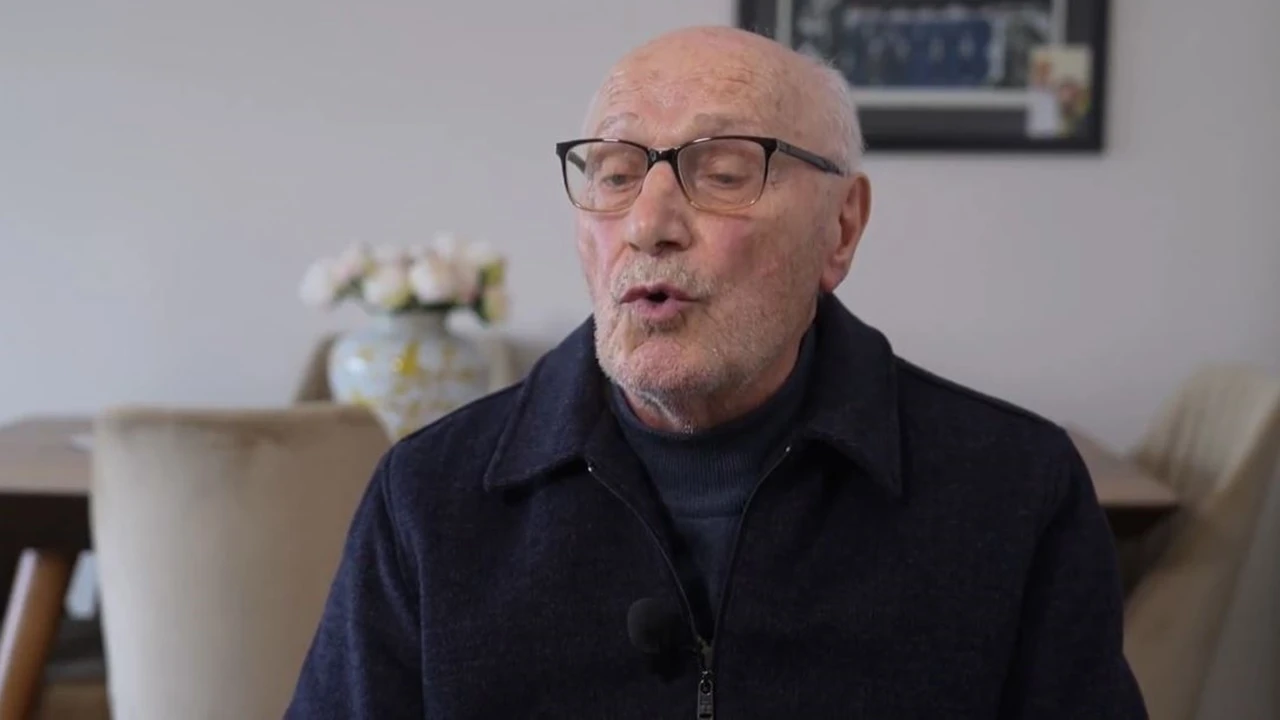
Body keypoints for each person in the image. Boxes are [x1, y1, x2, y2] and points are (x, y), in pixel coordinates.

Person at [286, 26, 1147, 718]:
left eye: (724, 172)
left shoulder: (1014, 492)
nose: (649, 222)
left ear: (841, 228)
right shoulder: (428, 499)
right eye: (614, 173)